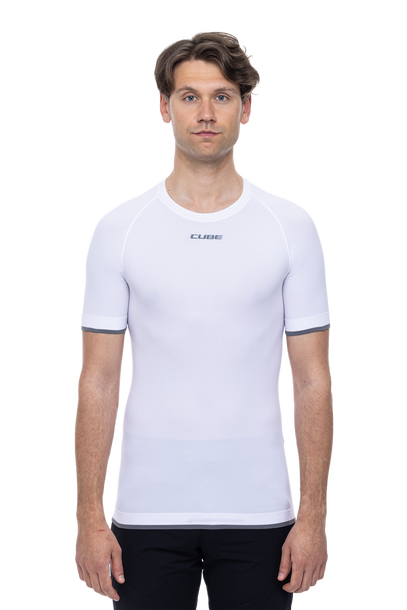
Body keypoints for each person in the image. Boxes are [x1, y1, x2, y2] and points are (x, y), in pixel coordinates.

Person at [75, 30, 333, 610]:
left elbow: (313, 380)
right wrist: (89, 519)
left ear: (246, 106)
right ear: (165, 106)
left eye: (222, 96)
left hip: (260, 510)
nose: (206, 113)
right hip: (146, 509)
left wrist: (313, 518)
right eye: (190, 96)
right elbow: (98, 381)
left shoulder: (288, 228)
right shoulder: (121, 229)